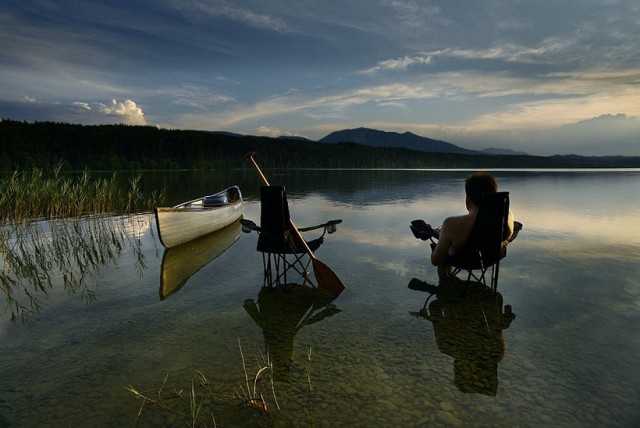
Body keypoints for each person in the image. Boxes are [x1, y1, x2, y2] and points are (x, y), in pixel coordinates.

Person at [430, 172, 514, 267]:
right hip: (491, 258)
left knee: (446, 247)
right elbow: (508, 238)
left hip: (464, 261)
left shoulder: (451, 224)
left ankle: (446, 279)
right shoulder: (507, 217)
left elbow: (436, 261)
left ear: (468, 198)